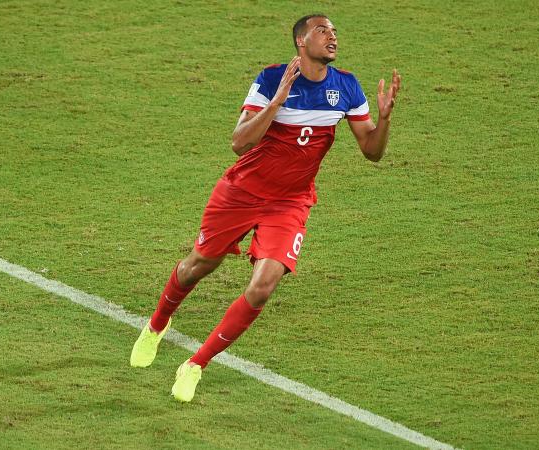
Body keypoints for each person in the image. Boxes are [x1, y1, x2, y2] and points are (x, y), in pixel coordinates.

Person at [130, 13, 401, 402]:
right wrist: (275, 103)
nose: (332, 36)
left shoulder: (346, 86)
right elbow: (239, 142)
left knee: (262, 288)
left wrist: (386, 119)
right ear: (300, 42)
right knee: (199, 265)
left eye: (335, 31)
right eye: (322, 30)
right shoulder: (272, 78)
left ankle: (195, 365)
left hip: (290, 202)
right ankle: (157, 325)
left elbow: (372, 152)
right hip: (240, 193)